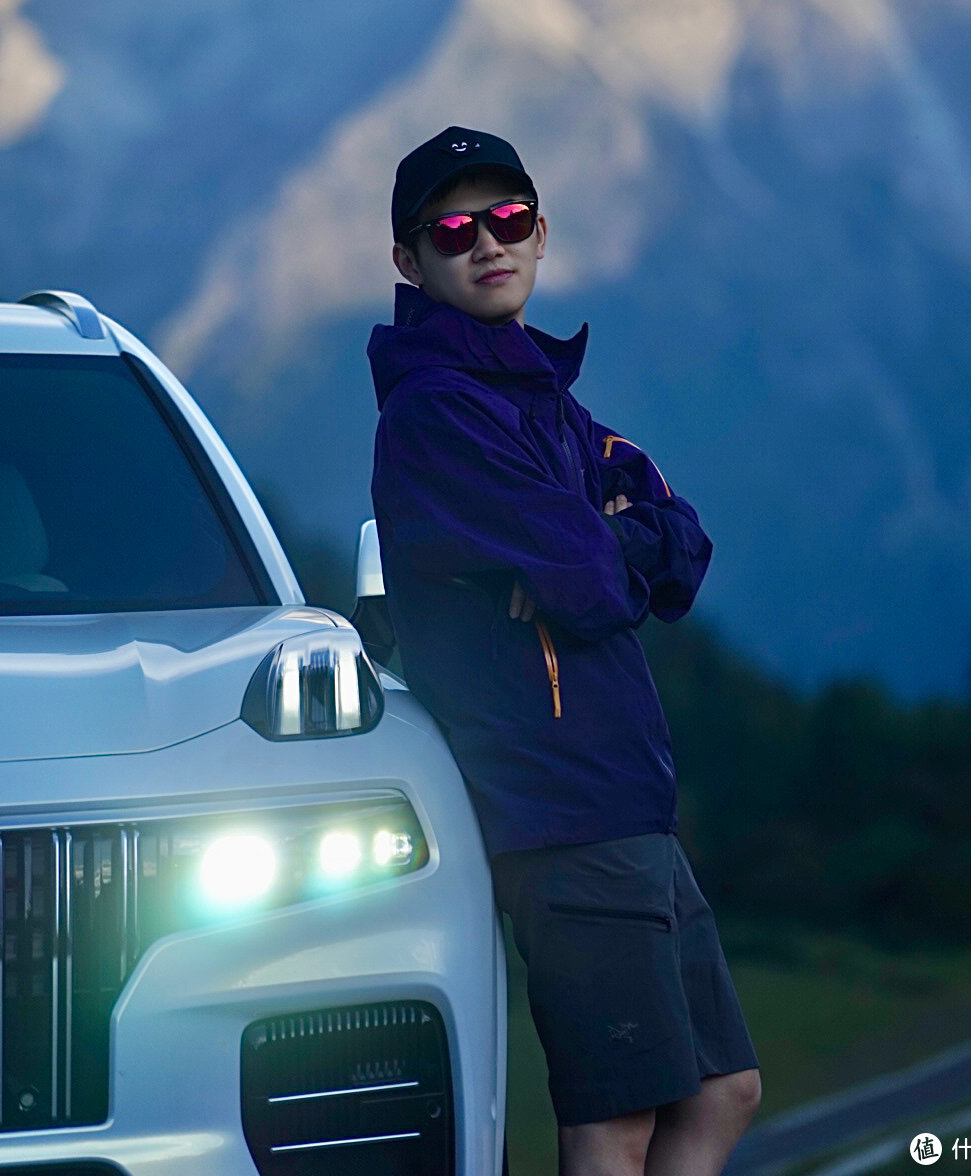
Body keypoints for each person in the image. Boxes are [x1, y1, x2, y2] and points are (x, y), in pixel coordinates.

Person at [366, 125, 761, 1176]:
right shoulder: (440, 414)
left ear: (542, 233)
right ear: (410, 262)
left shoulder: (542, 402)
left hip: (621, 796)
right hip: (555, 806)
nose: (487, 244)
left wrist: (611, 533)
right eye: (455, 229)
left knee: (724, 1090)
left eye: (509, 219)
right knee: (617, 1118)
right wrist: (615, 529)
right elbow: (593, 584)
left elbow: (682, 550)